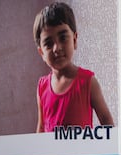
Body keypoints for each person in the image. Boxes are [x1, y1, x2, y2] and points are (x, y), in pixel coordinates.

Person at [33, 2, 114, 132]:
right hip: (53, 153)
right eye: (48, 43)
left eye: (63, 38)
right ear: (41, 52)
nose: (57, 48)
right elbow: (41, 126)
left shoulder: (88, 81)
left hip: (83, 153)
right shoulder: (42, 86)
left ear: (75, 40)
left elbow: (106, 121)